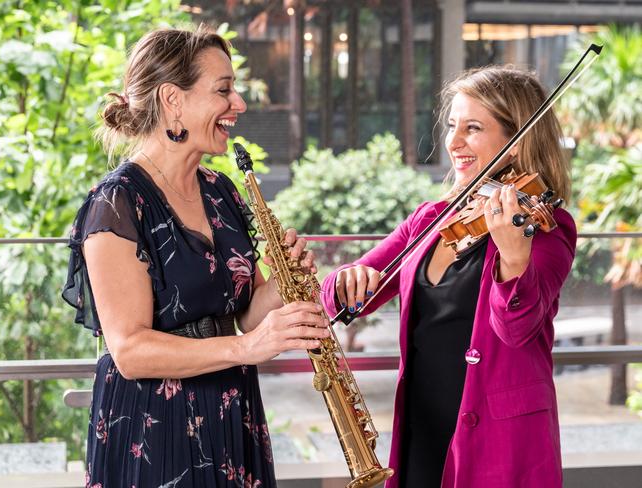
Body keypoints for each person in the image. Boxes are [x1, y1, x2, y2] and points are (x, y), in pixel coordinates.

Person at [62, 26, 329, 488]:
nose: (239, 104)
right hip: (153, 428)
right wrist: (249, 348)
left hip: (232, 410)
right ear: (173, 101)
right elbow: (129, 350)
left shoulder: (220, 191)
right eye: (223, 90)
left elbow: (244, 315)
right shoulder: (116, 202)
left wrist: (282, 285)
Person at [320, 66, 576, 488]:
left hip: (499, 438)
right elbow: (339, 296)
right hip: (422, 428)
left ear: (515, 143)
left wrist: (514, 255)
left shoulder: (545, 226)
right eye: (453, 125)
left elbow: (517, 328)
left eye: (473, 128)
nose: (454, 142)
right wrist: (350, 278)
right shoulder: (430, 219)